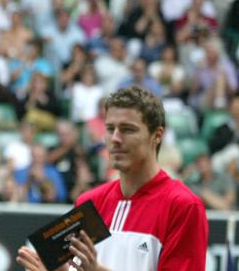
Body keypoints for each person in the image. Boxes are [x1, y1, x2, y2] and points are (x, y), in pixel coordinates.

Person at [17, 86, 208, 271]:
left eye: (127, 129)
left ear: (157, 135)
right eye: (110, 129)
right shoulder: (90, 202)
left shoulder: (184, 207)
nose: (115, 138)